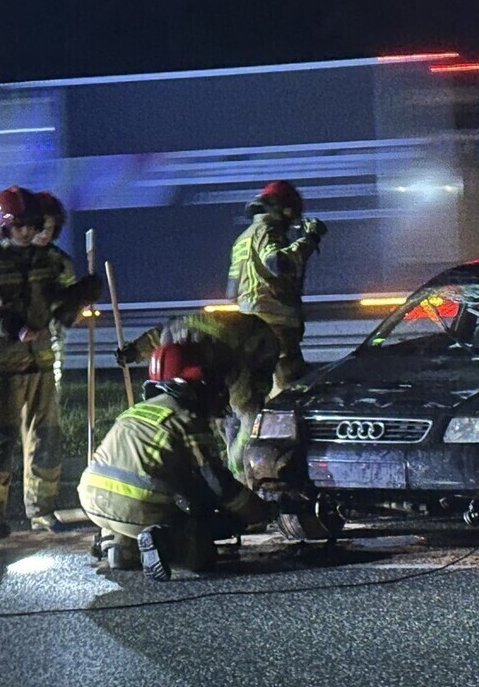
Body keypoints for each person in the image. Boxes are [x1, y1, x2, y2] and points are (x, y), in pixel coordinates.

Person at [0, 185, 100, 544]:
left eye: (32, 225)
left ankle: (41, 509)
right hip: (3, 367)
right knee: (1, 440)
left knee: (46, 438)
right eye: (19, 226)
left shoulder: (49, 261)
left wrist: (81, 294)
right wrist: (13, 327)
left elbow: (60, 311)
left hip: (41, 362)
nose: (28, 232)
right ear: (3, 226)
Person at [79, 341, 272, 581]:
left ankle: (118, 547)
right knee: (201, 556)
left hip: (92, 500)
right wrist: (257, 511)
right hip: (138, 506)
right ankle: (165, 544)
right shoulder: (188, 419)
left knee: (131, 509)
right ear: (196, 385)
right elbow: (217, 483)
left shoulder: (138, 410)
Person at [115, 310, 279, 483]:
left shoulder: (227, 362)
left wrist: (236, 462)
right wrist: (135, 350)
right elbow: (157, 333)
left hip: (261, 347)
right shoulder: (169, 338)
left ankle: (245, 475)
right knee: (218, 415)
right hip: (222, 338)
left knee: (231, 422)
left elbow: (249, 418)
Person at [226, 180, 326, 395]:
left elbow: (231, 292)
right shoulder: (266, 231)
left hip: (251, 328)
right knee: (288, 393)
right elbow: (277, 262)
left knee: (260, 395)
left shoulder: (242, 239)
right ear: (281, 208)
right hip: (275, 327)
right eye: (290, 214)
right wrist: (310, 239)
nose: (291, 222)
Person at [32, 191, 78, 392]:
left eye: (49, 229)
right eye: (41, 228)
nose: (44, 234)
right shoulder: (8, 258)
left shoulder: (60, 262)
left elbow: (69, 297)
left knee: (49, 380)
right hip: (17, 334)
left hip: (50, 332)